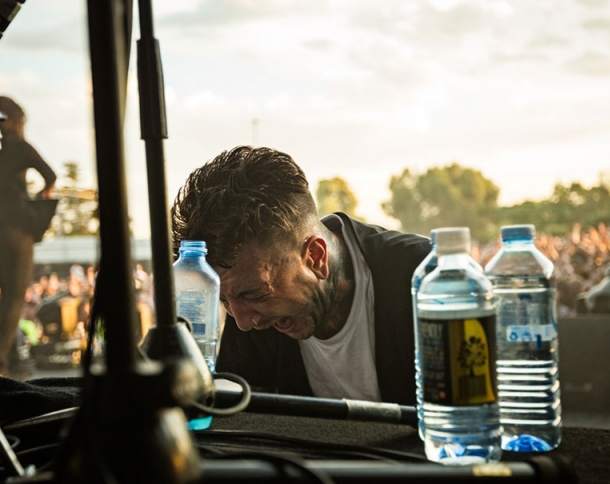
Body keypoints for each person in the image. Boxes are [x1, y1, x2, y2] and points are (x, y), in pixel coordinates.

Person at [171, 146, 431, 404]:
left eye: (256, 295)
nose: (243, 322)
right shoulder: (247, 297)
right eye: (224, 301)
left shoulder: (425, 277)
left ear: (315, 258)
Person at [0, 96, 57, 377]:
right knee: (15, 300)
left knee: (6, 298)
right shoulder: (19, 146)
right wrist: (40, 197)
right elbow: (50, 175)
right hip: (19, 230)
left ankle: (11, 360)